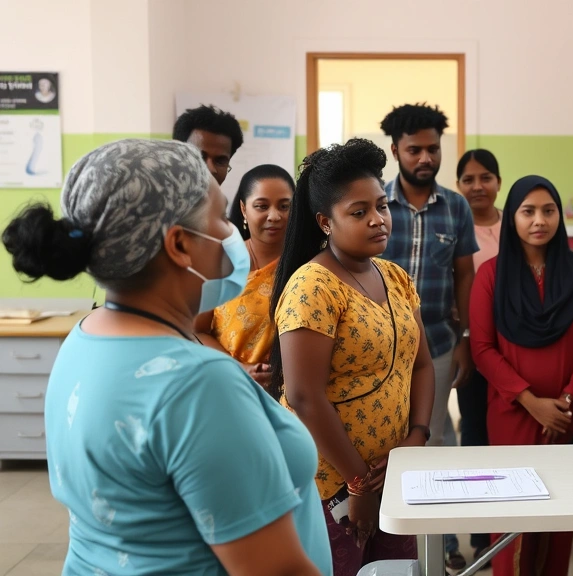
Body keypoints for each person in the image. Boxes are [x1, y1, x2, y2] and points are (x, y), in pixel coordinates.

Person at [0, 139, 330, 575]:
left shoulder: (83, 339)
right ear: (179, 245)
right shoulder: (198, 384)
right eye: (219, 218)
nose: (232, 233)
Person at [269, 139, 434, 576]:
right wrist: (358, 483)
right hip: (330, 483)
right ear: (326, 222)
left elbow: (421, 365)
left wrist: (416, 437)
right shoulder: (313, 287)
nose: (378, 220)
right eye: (359, 212)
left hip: (392, 474)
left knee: (394, 571)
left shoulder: (395, 277)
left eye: (381, 206)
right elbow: (304, 396)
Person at [470, 175, 573, 576]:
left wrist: (565, 400)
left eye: (548, 210)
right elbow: (482, 349)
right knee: (512, 519)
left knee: (559, 517)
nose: (539, 220)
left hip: (568, 414)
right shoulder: (491, 275)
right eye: (527, 211)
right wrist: (530, 401)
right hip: (513, 413)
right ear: (511, 217)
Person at [379, 103, 478, 570]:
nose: (425, 158)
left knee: (432, 440)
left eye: (433, 149)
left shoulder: (455, 206)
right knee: (386, 440)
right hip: (378, 349)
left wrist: (465, 336)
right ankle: (392, 539)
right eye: (414, 149)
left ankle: (438, 545)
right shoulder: (376, 204)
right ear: (395, 150)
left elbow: (465, 275)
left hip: (437, 343)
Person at [195, 164, 294, 388]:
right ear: (243, 209)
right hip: (229, 386)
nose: (275, 216)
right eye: (261, 206)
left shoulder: (309, 263)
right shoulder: (219, 261)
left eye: (285, 206)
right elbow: (197, 332)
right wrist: (239, 369)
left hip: (293, 397)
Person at [454, 148, 502, 564]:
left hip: (515, 351)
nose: (477, 186)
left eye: (485, 177)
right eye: (468, 179)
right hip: (471, 346)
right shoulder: (456, 225)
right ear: (458, 187)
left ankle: (506, 526)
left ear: (498, 183)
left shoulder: (518, 224)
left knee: (507, 436)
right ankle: (479, 534)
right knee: (474, 433)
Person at [173, 104, 244, 185]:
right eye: (199, 157)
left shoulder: (224, 198)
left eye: (220, 161)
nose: (211, 169)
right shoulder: (158, 196)